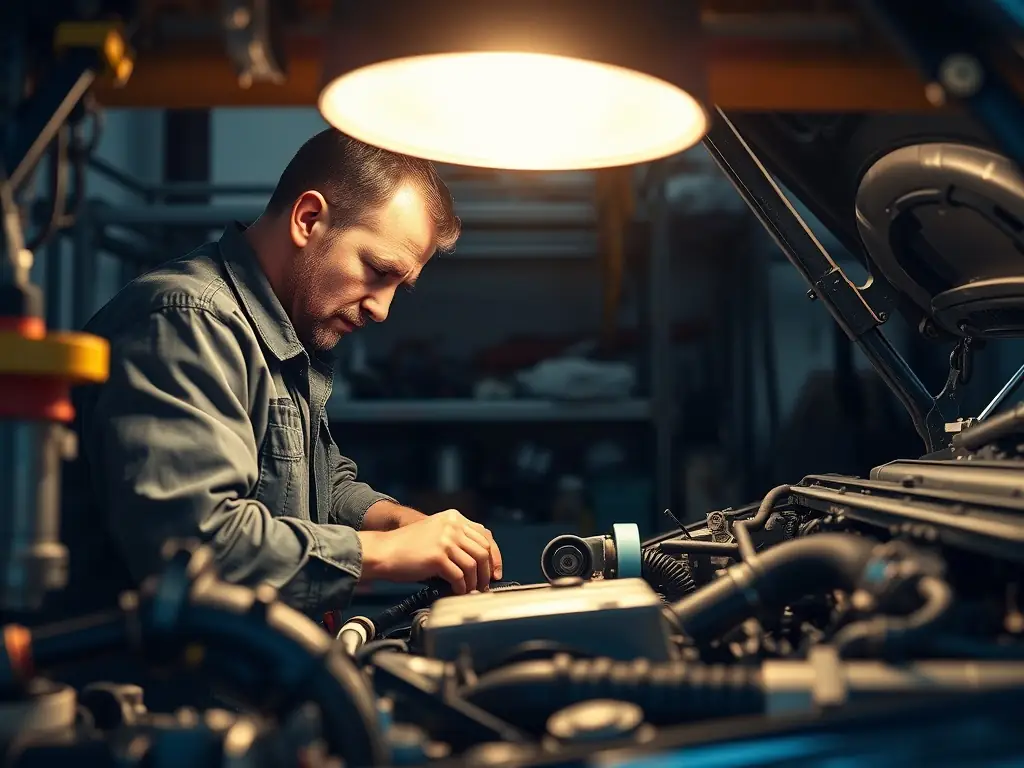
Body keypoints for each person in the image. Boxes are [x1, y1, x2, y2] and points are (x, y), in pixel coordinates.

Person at [58, 129, 503, 620]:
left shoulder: (284, 334)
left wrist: (396, 521)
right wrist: (384, 554)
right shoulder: (188, 321)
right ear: (308, 220)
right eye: (378, 270)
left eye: (401, 286)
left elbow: (312, 480)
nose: (383, 309)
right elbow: (194, 550)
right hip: (143, 684)